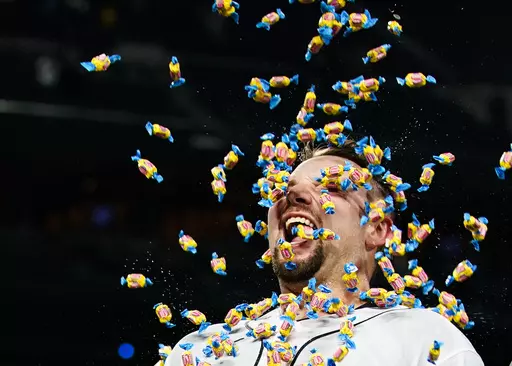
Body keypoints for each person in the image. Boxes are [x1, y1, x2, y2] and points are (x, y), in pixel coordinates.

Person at [161, 140, 484, 366]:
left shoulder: (423, 337)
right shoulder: (203, 349)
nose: (294, 194)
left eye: (330, 188)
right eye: (284, 188)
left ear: (377, 230)